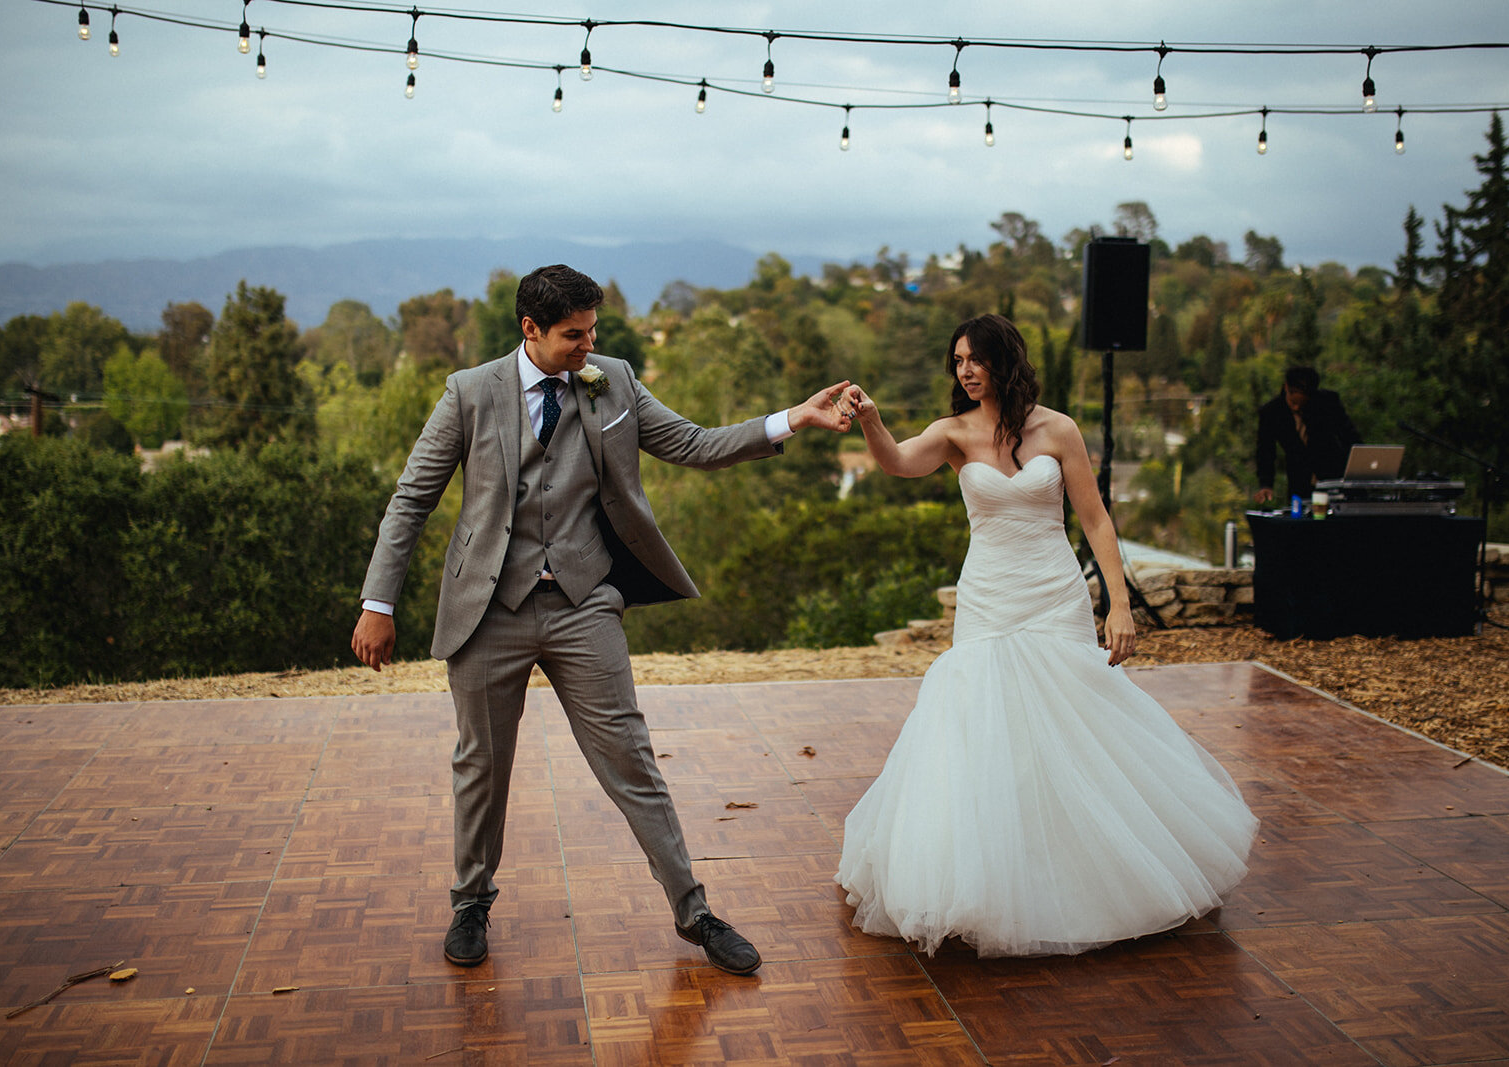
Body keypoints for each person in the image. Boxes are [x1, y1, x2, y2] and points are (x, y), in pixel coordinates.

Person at [351, 264, 855, 975]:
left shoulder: (611, 378)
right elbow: (411, 500)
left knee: (631, 759)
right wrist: (379, 602)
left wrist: (792, 419)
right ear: (529, 329)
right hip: (487, 609)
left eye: (594, 330)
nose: (589, 345)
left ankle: (695, 911)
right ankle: (471, 899)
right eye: (573, 335)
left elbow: (694, 443)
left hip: (584, 602)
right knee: (481, 766)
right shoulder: (469, 394)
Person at [834, 313, 1258, 958]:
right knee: (986, 723)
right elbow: (895, 463)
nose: (965, 371)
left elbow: (1095, 518)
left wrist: (1120, 604)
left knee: (1072, 718)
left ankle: (1095, 865)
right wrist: (869, 418)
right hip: (990, 598)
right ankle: (1000, 877)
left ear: (1004, 359)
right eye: (956, 362)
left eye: (974, 359)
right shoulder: (951, 434)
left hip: (1055, 593)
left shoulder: (1057, 429)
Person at [1254, 365, 1360, 505]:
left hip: (1333, 476)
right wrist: (1266, 484)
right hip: (1299, 482)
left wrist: (1358, 467)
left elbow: (1348, 435)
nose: (1296, 408)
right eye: (1293, 402)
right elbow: (1265, 451)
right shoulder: (1271, 412)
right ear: (1286, 388)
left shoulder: (1327, 402)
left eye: (1301, 404)